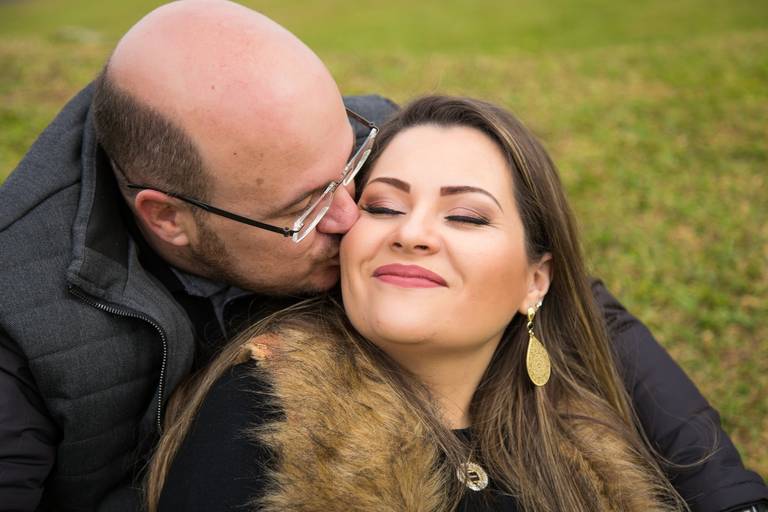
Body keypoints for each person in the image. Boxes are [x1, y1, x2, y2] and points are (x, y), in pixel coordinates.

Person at [0, 1, 764, 511]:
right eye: (305, 210)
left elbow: (577, 307)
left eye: (353, 170)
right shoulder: (17, 320)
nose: (358, 217)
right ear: (169, 220)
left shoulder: (352, 143)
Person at [148, 96, 765, 512]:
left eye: (466, 216)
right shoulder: (264, 422)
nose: (411, 232)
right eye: (383, 206)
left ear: (536, 281)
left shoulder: (592, 445)